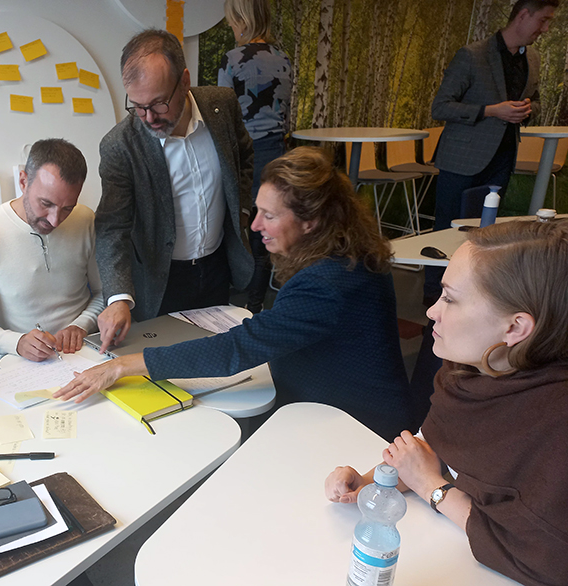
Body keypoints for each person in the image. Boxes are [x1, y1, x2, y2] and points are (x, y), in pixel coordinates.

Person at [56, 147, 414, 441]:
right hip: (340, 411)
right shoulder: (345, 253)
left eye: (269, 216)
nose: (256, 226)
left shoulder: (328, 283)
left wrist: (122, 365)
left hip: (359, 432)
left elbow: (235, 349)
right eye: (257, 210)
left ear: (311, 221)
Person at [326, 220, 568, 586]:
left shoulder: (555, 421)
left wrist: (430, 488)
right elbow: (437, 449)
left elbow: (540, 557)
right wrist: (372, 483)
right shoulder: (468, 371)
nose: (431, 312)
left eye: (451, 300)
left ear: (515, 328)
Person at [95, 29, 255, 351]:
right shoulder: (120, 146)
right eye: (137, 106)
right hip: (162, 279)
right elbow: (112, 228)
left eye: (158, 103)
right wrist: (118, 297)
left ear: (184, 81)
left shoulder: (221, 106)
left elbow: (245, 156)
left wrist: (242, 211)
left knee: (220, 358)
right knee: (170, 371)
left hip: (219, 266)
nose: (148, 117)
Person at [426, 0, 557, 302]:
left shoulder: (533, 59)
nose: (546, 29)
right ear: (523, 15)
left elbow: (535, 100)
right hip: (461, 159)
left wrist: (528, 109)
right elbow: (441, 107)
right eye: (543, 20)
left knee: (485, 233)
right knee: (446, 231)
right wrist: (490, 110)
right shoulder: (471, 56)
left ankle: (471, 292)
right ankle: (434, 296)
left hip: (503, 157)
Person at [0, 138, 105, 362]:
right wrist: (17, 342)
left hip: (87, 347)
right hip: (22, 357)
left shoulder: (85, 219)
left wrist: (80, 326)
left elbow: (105, 292)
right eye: (46, 204)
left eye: (67, 208)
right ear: (23, 181)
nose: (55, 220)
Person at [219, 0, 292, 313]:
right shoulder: (283, 58)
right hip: (277, 154)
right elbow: (284, 114)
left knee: (233, 227)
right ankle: (255, 305)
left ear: (239, 19)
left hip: (243, 156)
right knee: (265, 232)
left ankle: (222, 306)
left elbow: (222, 117)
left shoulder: (233, 60)